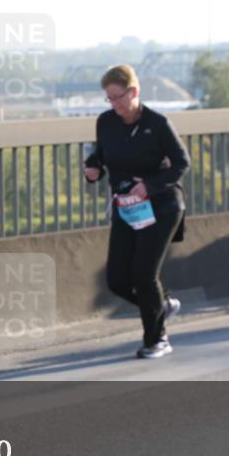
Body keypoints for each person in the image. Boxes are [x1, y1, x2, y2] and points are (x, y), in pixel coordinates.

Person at [84, 64, 189, 359]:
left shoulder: (157, 123)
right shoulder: (106, 122)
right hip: (128, 207)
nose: (115, 104)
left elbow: (182, 163)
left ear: (134, 92)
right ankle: (162, 306)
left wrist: (151, 185)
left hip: (163, 205)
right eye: (109, 98)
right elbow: (100, 154)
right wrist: (92, 169)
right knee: (117, 279)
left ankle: (157, 339)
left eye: (118, 97)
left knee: (143, 274)